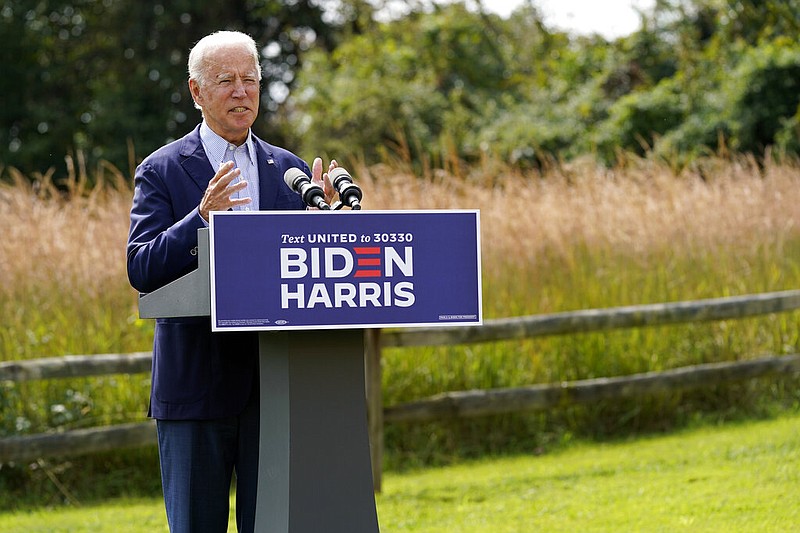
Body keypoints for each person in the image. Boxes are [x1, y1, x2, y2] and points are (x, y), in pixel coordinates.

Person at [126, 30, 336, 533]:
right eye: (226, 81)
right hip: (196, 391)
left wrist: (331, 224)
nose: (241, 92)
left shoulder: (289, 170)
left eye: (250, 80)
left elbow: (306, 270)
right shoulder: (163, 170)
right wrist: (200, 219)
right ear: (197, 93)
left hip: (274, 391)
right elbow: (142, 267)